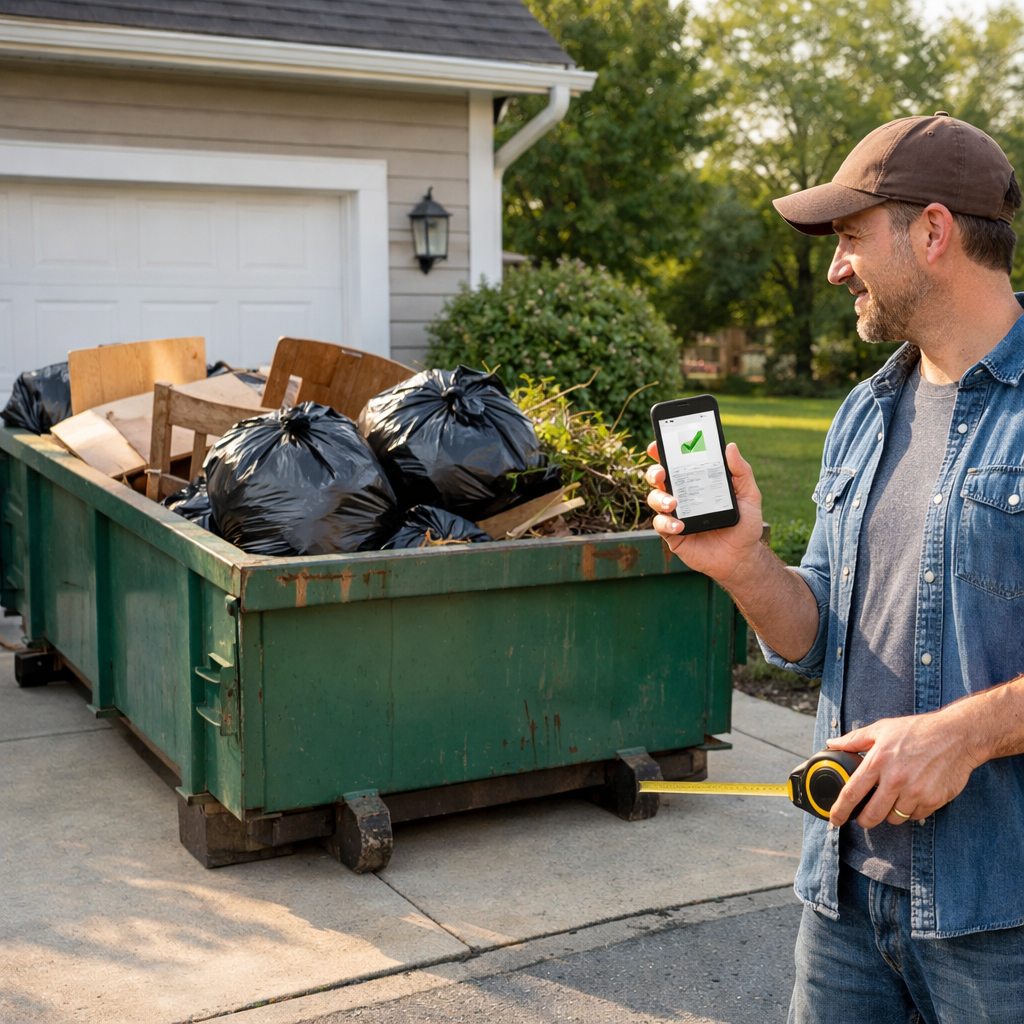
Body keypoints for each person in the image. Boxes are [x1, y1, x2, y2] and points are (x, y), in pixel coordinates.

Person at [646, 113, 1024, 1022]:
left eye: (852, 237)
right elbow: (817, 637)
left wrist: (963, 734)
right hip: (847, 900)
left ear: (932, 232)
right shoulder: (865, 411)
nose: (834, 267)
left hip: (1001, 920)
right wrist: (742, 565)